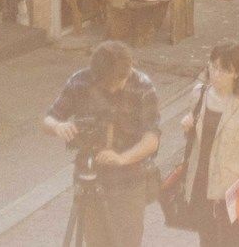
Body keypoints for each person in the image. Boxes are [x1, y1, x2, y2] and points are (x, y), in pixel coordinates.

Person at [41, 40, 161, 247]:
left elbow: (152, 139)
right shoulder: (80, 82)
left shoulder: (142, 86)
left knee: (127, 242)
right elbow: (49, 119)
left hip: (129, 182)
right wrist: (58, 127)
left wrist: (122, 158)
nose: (114, 89)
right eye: (108, 84)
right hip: (89, 177)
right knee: (96, 242)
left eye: (119, 82)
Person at [177, 42, 239, 247]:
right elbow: (194, 143)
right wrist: (188, 126)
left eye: (224, 70)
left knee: (233, 241)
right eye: (213, 66)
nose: (216, 74)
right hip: (201, 183)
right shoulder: (199, 94)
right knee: (207, 240)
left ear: (236, 73)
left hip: (231, 189)